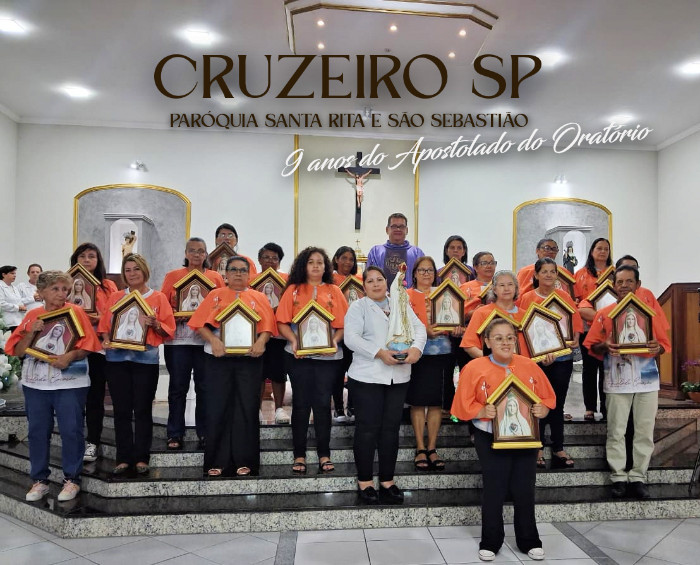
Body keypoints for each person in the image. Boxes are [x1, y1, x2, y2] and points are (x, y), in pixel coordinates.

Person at [451, 318, 556, 562]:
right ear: (487, 342)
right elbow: (460, 406)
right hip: (489, 436)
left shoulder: (529, 365)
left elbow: (547, 398)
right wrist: (480, 410)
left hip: (525, 438)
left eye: (510, 338)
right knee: (494, 488)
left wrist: (543, 409)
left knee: (525, 488)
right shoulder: (474, 367)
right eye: (498, 338)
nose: (505, 343)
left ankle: (529, 540)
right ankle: (490, 541)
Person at [5, 271, 101, 502]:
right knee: (37, 431)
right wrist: (31, 332)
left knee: (71, 430)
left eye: (65, 289)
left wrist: (70, 356)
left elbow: (89, 345)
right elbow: (17, 350)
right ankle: (40, 480)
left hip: (70, 383)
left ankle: (72, 479)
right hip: (36, 384)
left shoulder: (75, 312)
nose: (61, 294)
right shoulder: (33, 314)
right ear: (42, 292)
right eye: (55, 289)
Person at [583, 265, 671, 499]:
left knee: (644, 431)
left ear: (637, 284)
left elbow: (663, 345)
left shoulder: (649, 314)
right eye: (619, 282)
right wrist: (605, 346)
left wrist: (657, 348)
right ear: (614, 285)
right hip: (617, 380)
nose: (623, 286)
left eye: (628, 281)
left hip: (646, 381)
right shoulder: (605, 313)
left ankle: (638, 476)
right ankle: (619, 476)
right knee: (616, 430)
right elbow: (592, 346)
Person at [344, 266, 426, 504]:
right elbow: (351, 338)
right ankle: (365, 481)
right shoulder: (358, 307)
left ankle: (387, 480)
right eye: (370, 281)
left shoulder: (400, 303)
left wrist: (416, 349)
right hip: (367, 377)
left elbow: (419, 328)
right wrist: (379, 353)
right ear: (364, 286)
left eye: (379, 279)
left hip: (398, 377)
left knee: (391, 429)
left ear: (386, 282)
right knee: (367, 429)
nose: (376, 284)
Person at [188, 256, 276, 477]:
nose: (238, 273)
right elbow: (200, 324)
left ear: (249, 274)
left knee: (246, 407)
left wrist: (261, 341)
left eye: (243, 270)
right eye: (233, 269)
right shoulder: (215, 295)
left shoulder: (258, 297)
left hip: (250, 358)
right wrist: (213, 340)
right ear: (226, 274)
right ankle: (217, 460)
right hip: (218, 358)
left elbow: (268, 327)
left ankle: (245, 460)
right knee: (218, 407)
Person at [98, 254, 175, 476]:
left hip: (145, 360)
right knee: (121, 409)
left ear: (144, 271)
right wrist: (106, 339)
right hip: (117, 359)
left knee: (142, 409)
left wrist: (155, 324)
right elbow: (105, 326)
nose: (132, 274)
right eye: (128, 270)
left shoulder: (158, 298)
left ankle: (142, 457)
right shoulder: (116, 297)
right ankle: (123, 457)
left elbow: (168, 331)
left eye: (136, 269)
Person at [276, 246, 349, 475]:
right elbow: (281, 322)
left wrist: (334, 341)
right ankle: (299, 454)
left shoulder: (334, 291)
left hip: (328, 357)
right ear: (303, 266)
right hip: (298, 356)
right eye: (311, 262)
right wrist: (294, 340)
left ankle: (324, 453)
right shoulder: (293, 290)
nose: (316, 266)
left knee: (322, 404)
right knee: (300, 403)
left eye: (320, 262)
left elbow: (343, 324)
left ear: (326, 266)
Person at [160, 238, 225, 451]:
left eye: (201, 251)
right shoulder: (173, 276)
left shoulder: (214, 277)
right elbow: (163, 305)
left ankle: (205, 432)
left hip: (204, 341)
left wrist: (208, 318)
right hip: (178, 341)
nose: (197, 255)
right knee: (178, 387)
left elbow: (222, 305)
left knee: (204, 388)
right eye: (193, 251)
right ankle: (175, 433)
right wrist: (175, 314)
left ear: (206, 255)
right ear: (186, 253)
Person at [519, 257, 583, 469]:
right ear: (536, 275)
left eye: (552, 271)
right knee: (537, 402)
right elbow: (522, 328)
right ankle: (537, 447)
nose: (548, 275)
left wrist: (574, 339)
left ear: (557, 275)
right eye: (544, 271)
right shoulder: (527, 298)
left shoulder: (564, 296)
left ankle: (558, 446)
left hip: (562, 358)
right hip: (536, 360)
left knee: (557, 402)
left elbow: (575, 323)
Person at [406, 256, 459, 471]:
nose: (426, 274)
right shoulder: (406, 296)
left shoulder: (445, 294)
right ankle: (420, 447)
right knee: (418, 401)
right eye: (422, 270)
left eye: (430, 270)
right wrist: (423, 331)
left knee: (436, 402)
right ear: (414, 273)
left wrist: (456, 327)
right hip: (417, 353)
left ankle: (432, 447)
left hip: (441, 352)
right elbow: (399, 324)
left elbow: (455, 318)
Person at [70, 243, 119, 463]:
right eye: (82, 256)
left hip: (98, 347)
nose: (87, 260)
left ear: (98, 260)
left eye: (92, 256)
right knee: (73, 397)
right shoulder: (67, 283)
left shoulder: (107, 285)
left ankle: (93, 441)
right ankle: (74, 440)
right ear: (75, 259)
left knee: (95, 396)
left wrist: (100, 318)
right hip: (74, 347)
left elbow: (116, 314)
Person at [575, 238, 612, 421]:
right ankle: (589, 407)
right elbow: (576, 301)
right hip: (588, 328)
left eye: (606, 249)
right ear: (592, 251)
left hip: (610, 330)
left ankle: (606, 407)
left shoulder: (614, 273)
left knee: (607, 369)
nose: (603, 251)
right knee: (589, 370)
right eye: (599, 248)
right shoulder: (581, 274)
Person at [257, 242, 290, 425]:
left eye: (274, 258)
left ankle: (279, 409)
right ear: (259, 259)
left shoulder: (286, 281)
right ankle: (257, 410)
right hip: (257, 334)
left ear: (279, 262)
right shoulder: (253, 281)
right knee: (258, 373)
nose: (270, 261)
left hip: (278, 334)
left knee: (278, 372)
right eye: (266, 257)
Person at [460, 270, 527, 360]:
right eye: (502, 285)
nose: (506, 289)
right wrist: (492, 360)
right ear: (494, 289)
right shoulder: (482, 312)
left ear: (516, 288)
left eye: (510, 284)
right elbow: (469, 345)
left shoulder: (525, 315)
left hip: (522, 365)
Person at [331, 245, 361, 423]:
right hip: (337, 331)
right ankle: (338, 409)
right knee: (337, 371)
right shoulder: (330, 280)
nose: (348, 262)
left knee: (355, 370)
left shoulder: (358, 281)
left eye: (351, 259)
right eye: (344, 258)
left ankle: (353, 407)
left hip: (356, 332)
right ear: (336, 259)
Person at [366, 213, 424, 287]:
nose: (398, 229)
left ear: (406, 230)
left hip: (410, 293)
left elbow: (422, 279)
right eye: (394, 226)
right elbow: (369, 278)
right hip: (380, 293)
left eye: (401, 226)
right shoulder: (376, 252)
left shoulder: (416, 253)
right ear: (387, 230)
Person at [0, 265, 31, 331]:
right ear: (3, 274)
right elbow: (1, 304)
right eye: (12, 273)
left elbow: (19, 302)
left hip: (18, 322)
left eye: (15, 273)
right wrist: (18, 308)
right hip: (7, 323)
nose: (15, 275)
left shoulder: (14, 287)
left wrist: (23, 308)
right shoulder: (0, 286)